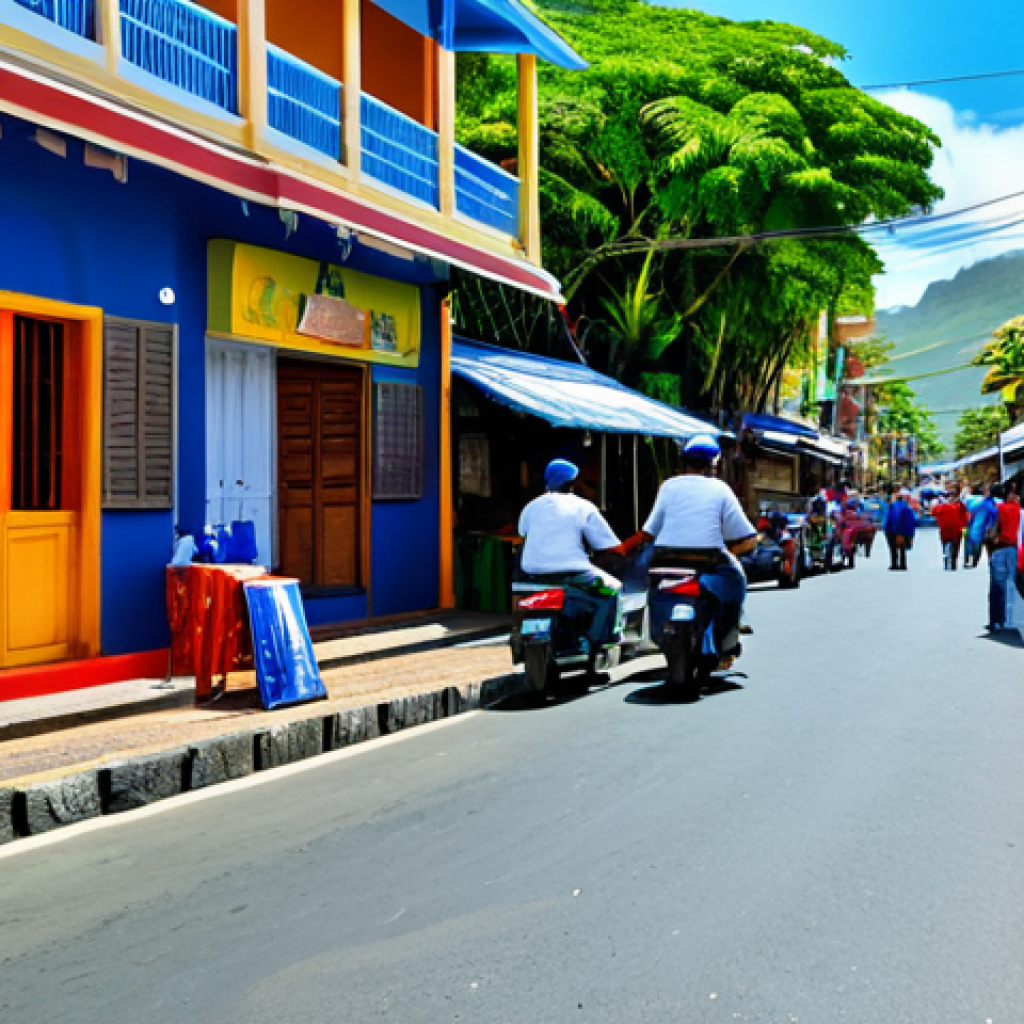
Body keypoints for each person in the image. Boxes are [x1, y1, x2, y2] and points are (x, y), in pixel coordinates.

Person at [620, 434, 758, 656]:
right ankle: (731, 632)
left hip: (664, 559)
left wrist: (621, 549)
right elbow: (746, 535)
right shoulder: (720, 489)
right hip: (707, 560)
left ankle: (657, 632)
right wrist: (732, 552)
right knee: (737, 582)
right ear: (714, 462)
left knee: (653, 589)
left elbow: (648, 532)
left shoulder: (668, 487)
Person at [518, 458, 623, 652]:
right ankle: (597, 642)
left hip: (533, 574)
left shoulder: (531, 506)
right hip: (574, 575)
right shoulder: (583, 506)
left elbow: (523, 533)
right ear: (573, 483)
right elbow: (608, 545)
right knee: (613, 590)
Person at [987, 482, 1021, 633]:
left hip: (1001, 549)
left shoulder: (999, 508)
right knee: (1013, 585)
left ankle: (996, 620)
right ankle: (1011, 618)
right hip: (1016, 550)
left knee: (997, 586)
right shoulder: (1020, 510)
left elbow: (992, 531)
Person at [932, 489, 969, 570]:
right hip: (953, 530)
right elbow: (966, 517)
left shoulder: (945, 506)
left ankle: (950, 562)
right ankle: (951, 562)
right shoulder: (958, 506)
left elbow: (934, 513)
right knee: (952, 546)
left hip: (951, 530)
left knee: (950, 546)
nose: (951, 498)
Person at [884, 488, 917, 571]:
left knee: (893, 548)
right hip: (904, 531)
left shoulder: (894, 506)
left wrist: (893, 529)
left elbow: (894, 518)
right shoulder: (906, 507)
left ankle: (894, 564)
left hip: (893, 530)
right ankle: (903, 565)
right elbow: (913, 520)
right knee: (902, 548)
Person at [965, 484, 998, 569]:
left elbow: (995, 512)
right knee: (974, 547)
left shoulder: (992, 501)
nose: (986, 492)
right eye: (985, 490)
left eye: (987, 490)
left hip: (988, 529)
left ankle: (985, 562)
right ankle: (972, 562)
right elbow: (970, 509)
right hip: (977, 529)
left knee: (982, 547)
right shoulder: (978, 501)